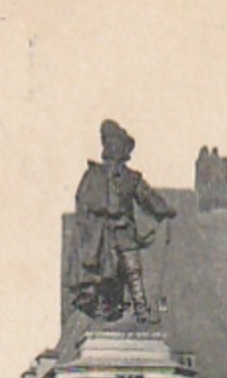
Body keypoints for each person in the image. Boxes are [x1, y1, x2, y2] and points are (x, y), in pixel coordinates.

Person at [71, 119, 176, 323]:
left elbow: (148, 197)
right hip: (102, 233)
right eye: (111, 144)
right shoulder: (93, 175)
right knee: (103, 273)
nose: (114, 150)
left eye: (118, 145)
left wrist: (165, 209)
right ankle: (103, 311)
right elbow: (83, 202)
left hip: (125, 230)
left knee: (133, 270)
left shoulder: (131, 178)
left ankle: (141, 311)